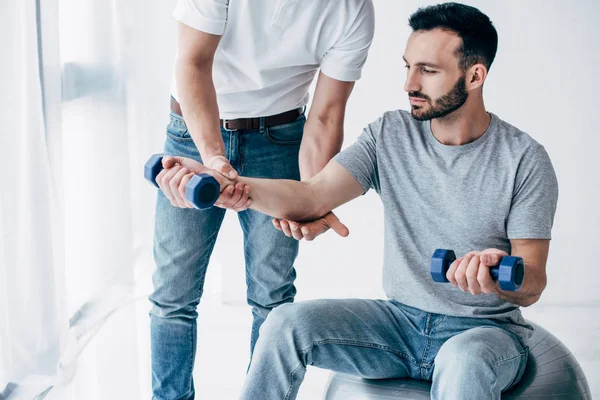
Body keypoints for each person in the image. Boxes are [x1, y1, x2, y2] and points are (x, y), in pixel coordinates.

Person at [157, 3, 558, 399]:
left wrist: (503, 269)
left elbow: (533, 283)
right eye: (408, 67)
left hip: (484, 333)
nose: (409, 84)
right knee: (283, 322)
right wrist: (228, 184)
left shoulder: (524, 159)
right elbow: (312, 195)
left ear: (474, 75)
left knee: (463, 361)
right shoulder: (391, 134)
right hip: (398, 324)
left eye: (428, 71)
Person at [149, 0, 375, 398]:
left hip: (280, 140)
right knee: (173, 294)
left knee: (272, 296)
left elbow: (325, 116)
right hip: (192, 130)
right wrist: (214, 157)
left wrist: (314, 197)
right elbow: (193, 63)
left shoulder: (352, 8)